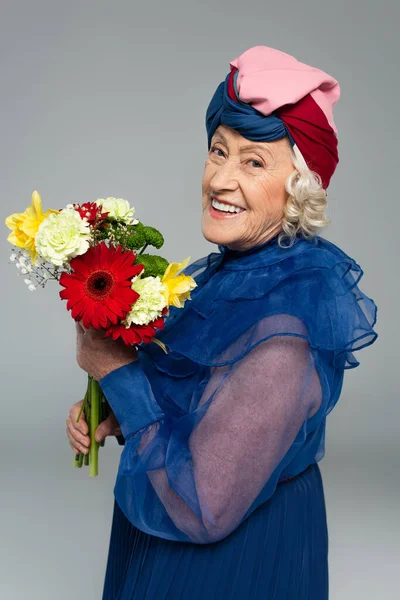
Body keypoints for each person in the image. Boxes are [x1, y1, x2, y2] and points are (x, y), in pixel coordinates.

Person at [66, 46, 378, 599]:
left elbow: (201, 507)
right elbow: (207, 412)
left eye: (253, 162)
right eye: (218, 151)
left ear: (299, 188)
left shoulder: (286, 328)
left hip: (234, 565)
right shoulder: (225, 275)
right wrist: (121, 410)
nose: (220, 179)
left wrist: (117, 372)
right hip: (175, 544)